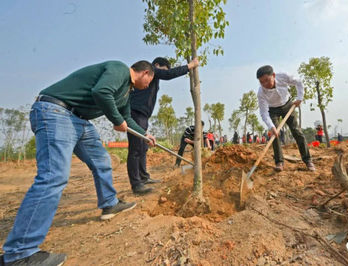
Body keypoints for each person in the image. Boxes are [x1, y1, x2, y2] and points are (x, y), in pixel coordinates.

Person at [1, 60, 156, 265]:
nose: (148, 86)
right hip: (56, 111)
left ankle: (109, 203)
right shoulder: (119, 70)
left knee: (102, 161)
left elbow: (127, 117)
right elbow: (101, 92)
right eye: (150, 81)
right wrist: (117, 121)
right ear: (145, 72)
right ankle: (19, 254)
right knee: (53, 177)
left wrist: (145, 134)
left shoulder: (126, 92)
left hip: (80, 120)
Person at [127, 57, 199, 195]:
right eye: (164, 69)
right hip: (135, 113)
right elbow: (168, 75)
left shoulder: (153, 78)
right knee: (135, 149)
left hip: (142, 115)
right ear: (157, 65)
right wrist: (190, 65)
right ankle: (136, 185)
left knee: (143, 148)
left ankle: (144, 177)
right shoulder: (152, 70)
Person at [256, 65, 315, 172]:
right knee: (275, 134)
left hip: (287, 105)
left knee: (296, 131)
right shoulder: (261, 92)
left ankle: (308, 160)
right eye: (261, 82)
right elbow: (264, 112)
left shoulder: (283, 76)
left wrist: (300, 98)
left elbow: (298, 82)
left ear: (273, 75)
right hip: (272, 110)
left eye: (267, 80)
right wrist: (271, 126)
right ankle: (279, 162)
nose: (265, 84)